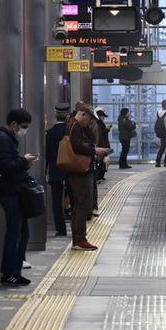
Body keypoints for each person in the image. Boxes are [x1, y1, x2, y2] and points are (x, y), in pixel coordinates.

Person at [0, 108, 37, 286]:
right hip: (10, 193)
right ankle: (9, 272)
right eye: (23, 127)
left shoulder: (8, 139)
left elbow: (11, 165)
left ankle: (14, 271)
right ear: (14, 124)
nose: (24, 130)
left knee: (22, 233)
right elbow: (3, 167)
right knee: (15, 233)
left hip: (15, 191)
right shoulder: (3, 140)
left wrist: (24, 164)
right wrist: (23, 161)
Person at [65, 105, 109, 251]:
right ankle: (79, 239)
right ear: (83, 114)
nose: (89, 122)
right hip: (79, 172)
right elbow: (76, 147)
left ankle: (79, 238)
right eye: (89, 119)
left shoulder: (78, 126)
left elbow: (86, 141)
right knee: (84, 204)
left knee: (80, 204)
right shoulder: (75, 126)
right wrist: (94, 150)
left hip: (81, 170)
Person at [45, 103, 71, 237]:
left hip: (55, 171)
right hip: (71, 170)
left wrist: (46, 172)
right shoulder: (71, 131)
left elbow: (47, 155)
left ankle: (61, 229)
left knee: (56, 200)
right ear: (68, 116)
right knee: (74, 199)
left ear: (55, 116)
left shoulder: (49, 133)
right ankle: (77, 229)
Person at [93, 107, 111, 182]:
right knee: (102, 161)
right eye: (103, 116)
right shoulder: (99, 123)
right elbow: (102, 135)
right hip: (101, 145)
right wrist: (106, 129)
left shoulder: (97, 123)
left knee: (103, 161)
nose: (103, 118)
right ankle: (100, 176)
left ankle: (100, 175)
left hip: (101, 145)